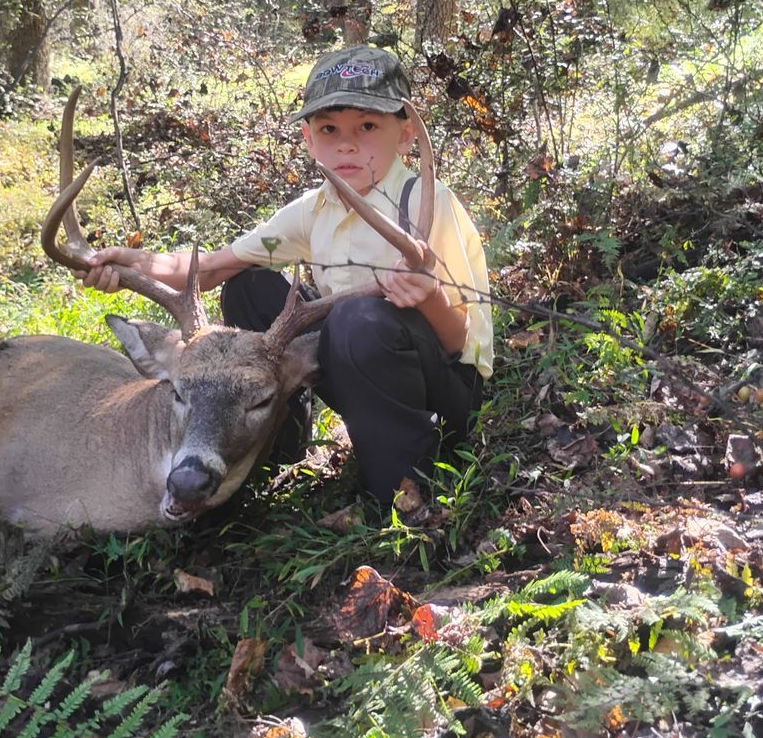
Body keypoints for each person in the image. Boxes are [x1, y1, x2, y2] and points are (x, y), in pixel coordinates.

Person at [82, 45, 493, 504]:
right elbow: (217, 266)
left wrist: (429, 296)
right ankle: (275, 440)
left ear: (405, 133)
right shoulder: (314, 209)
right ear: (308, 138)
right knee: (250, 287)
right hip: (362, 361)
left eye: (368, 126)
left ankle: (404, 489)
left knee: (357, 319)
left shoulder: (426, 203)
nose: (347, 144)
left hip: (448, 391)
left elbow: (460, 343)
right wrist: (133, 263)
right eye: (329, 129)